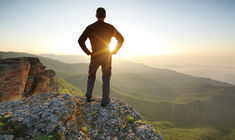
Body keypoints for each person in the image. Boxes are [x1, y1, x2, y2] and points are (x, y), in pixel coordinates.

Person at [78, 7, 124, 107]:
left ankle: (89, 96)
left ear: (96, 16)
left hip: (95, 56)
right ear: (105, 16)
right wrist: (115, 50)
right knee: (106, 77)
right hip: (107, 56)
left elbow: (80, 40)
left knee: (91, 75)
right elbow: (121, 39)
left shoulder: (90, 27)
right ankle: (105, 100)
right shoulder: (110, 27)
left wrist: (88, 52)